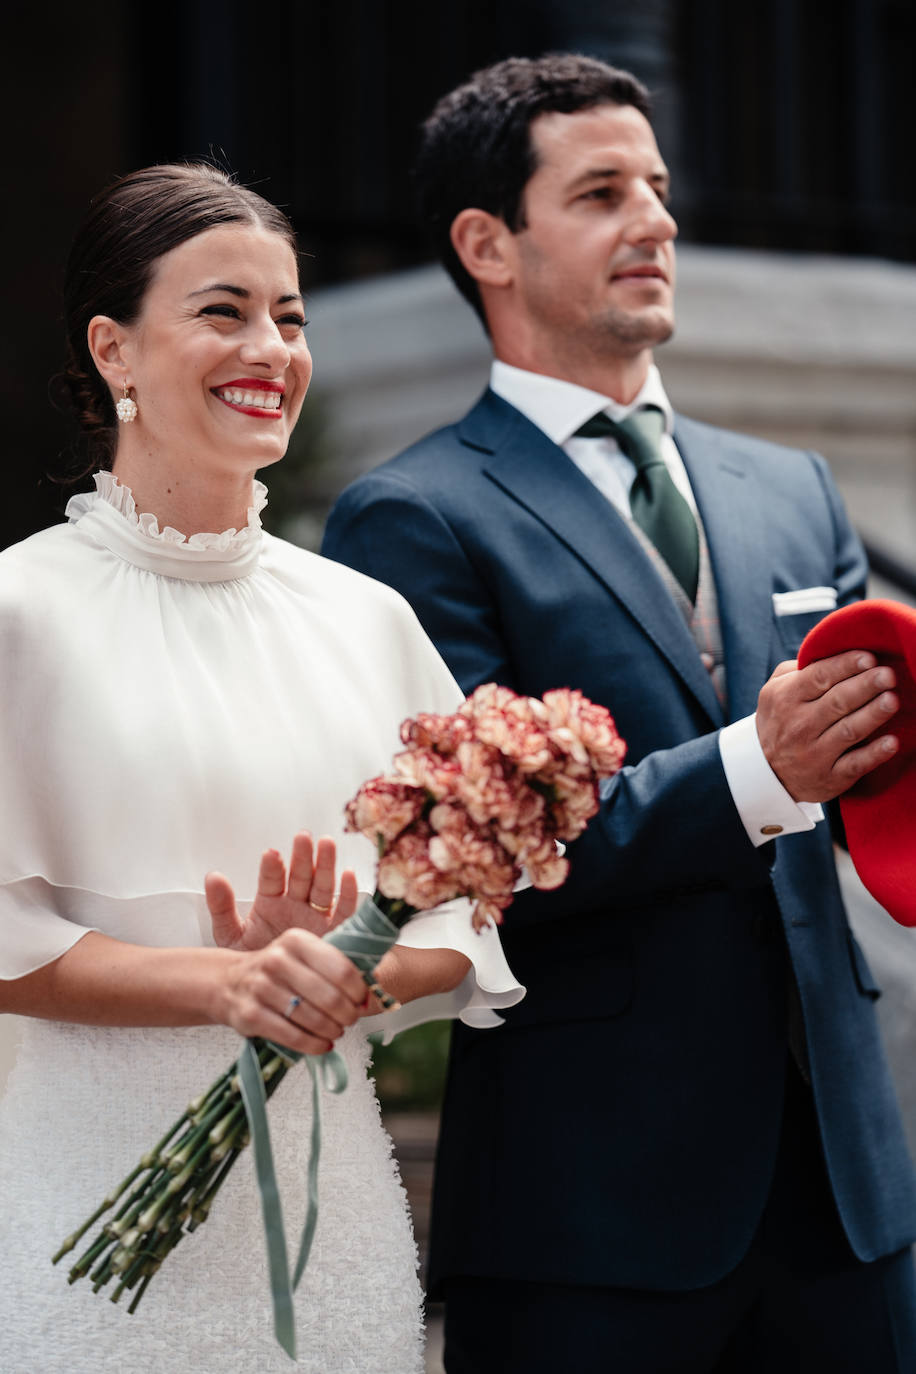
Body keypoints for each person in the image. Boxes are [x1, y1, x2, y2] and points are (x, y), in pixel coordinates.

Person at [321, 53, 916, 1373]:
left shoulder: (793, 487)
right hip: (589, 1211)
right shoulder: (412, 519)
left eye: (656, 186)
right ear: (488, 243)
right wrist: (756, 765)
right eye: (601, 193)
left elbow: (878, 784)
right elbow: (471, 857)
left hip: (848, 1194)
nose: (657, 220)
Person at [0, 163, 523, 1374]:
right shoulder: (19, 613)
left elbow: (469, 919)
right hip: (89, 1218)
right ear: (113, 352)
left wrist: (350, 974)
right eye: (223, 311)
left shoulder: (369, 618)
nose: (272, 347)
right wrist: (223, 984)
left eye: (290, 316)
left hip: (331, 1222)